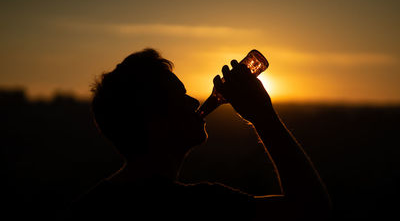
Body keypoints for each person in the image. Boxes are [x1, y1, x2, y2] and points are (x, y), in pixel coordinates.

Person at [69, 48, 332, 220]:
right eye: (180, 97)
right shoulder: (200, 208)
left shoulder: (87, 209)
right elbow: (312, 211)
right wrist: (264, 116)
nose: (195, 102)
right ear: (154, 121)